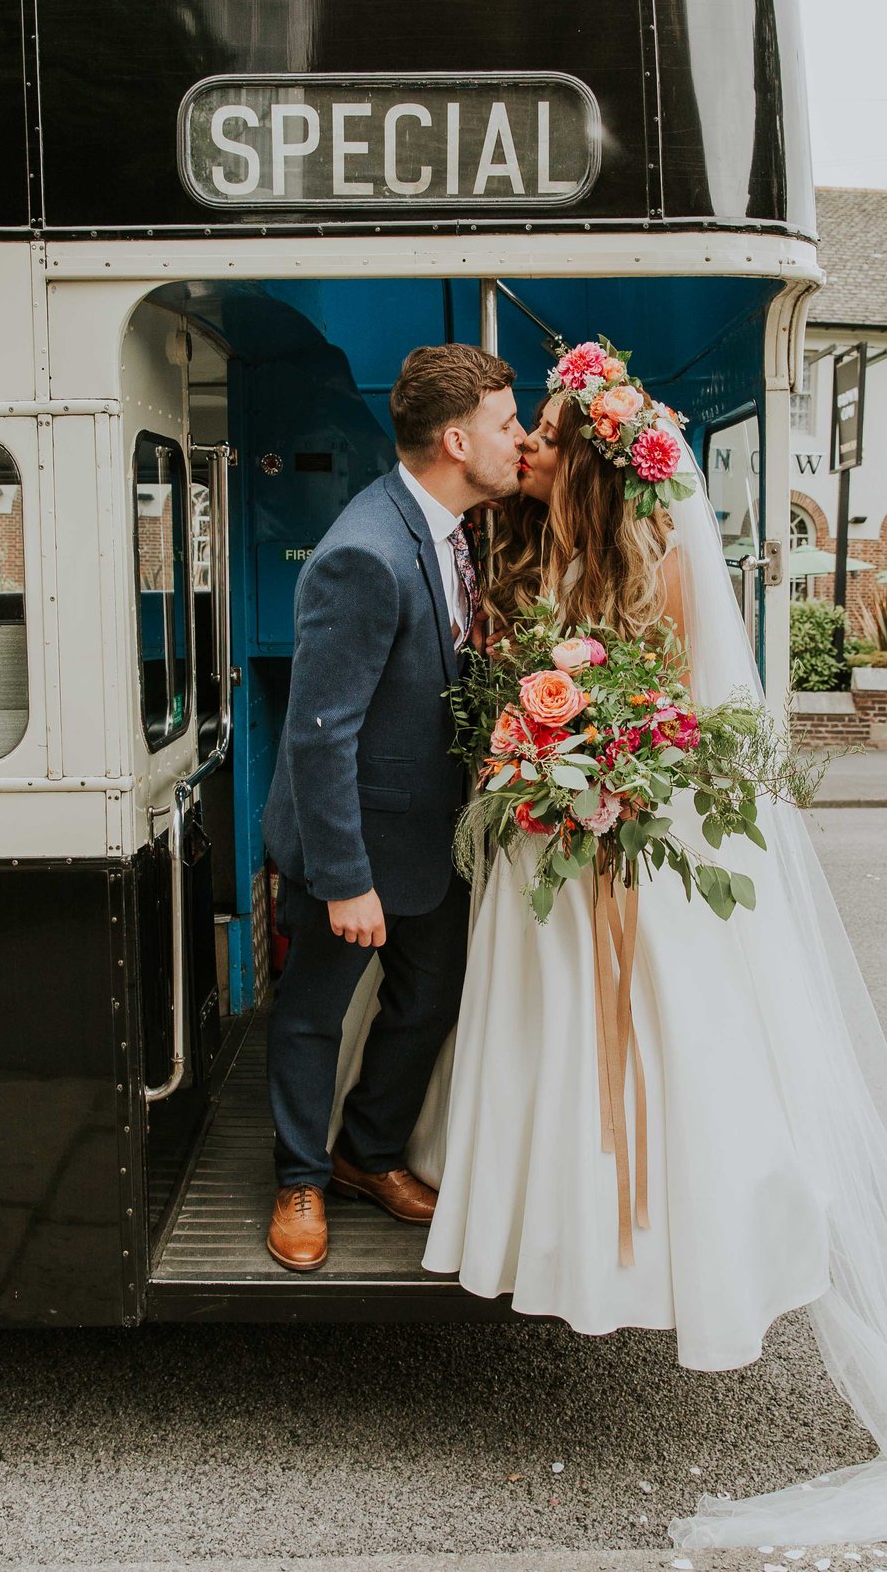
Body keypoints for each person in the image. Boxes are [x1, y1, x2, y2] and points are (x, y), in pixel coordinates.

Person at [421, 344, 887, 1548]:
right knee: (550, 1030)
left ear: (583, 465)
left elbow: (676, 712)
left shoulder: (643, 568)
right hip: (559, 816)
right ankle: (553, 1215)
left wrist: (599, 770)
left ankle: (647, 1232)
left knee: (662, 1036)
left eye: (543, 428)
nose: (527, 440)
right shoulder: (546, 545)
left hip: (623, 823)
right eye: (518, 425)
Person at [258, 343, 524, 1272]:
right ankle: (299, 1179)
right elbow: (319, 735)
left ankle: (367, 1153)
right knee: (312, 1013)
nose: (519, 438)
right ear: (457, 438)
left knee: (431, 995)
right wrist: (344, 882)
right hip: (352, 843)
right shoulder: (364, 555)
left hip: (425, 840)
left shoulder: (450, 529)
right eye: (506, 423)